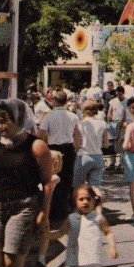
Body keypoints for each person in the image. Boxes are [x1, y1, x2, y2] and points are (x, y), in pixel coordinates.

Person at [0, 99, 54, 267]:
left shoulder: (36, 146)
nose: (0, 127)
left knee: (12, 263)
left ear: (19, 119)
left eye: (5, 121)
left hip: (22, 208)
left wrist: (44, 213)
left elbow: (48, 183)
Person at [51, 185, 118, 267]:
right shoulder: (71, 219)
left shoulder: (98, 218)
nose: (85, 202)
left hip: (90, 257)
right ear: (76, 202)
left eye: (88, 199)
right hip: (75, 257)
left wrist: (112, 247)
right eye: (81, 199)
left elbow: (108, 232)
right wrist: (47, 234)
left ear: (94, 200)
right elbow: (60, 233)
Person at [39, 90, 82, 224]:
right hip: (68, 148)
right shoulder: (73, 116)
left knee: (52, 179)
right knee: (67, 179)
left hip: (53, 149)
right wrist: (76, 148)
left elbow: (42, 134)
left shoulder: (48, 116)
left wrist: (45, 149)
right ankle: (63, 210)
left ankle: (52, 211)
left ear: (54, 101)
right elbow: (77, 134)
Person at [37, 151, 63, 267]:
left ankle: (41, 258)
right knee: (43, 232)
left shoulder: (54, 178)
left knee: (45, 233)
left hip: (44, 208)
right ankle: (40, 257)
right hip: (38, 208)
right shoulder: (42, 175)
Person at [74, 100, 108, 193]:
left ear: (83, 110)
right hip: (98, 156)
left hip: (83, 156)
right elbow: (106, 144)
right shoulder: (102, 123)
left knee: (78, 185)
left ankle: (78, 207)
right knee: (95, 186)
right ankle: (97, 206)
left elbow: (77, 145)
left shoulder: (79, 124)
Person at [105, 86, 127, 172]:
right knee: (112, 143)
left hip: (122, 125)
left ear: (123, 93)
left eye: (120, 94)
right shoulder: (113, 101)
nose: (118, 96)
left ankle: (121, 163)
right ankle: (112, 163)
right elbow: (109, 112)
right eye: (117, 94)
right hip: (113, 124)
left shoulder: (127, 101)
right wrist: (108, 122)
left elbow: (127, 114)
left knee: (121, 144)